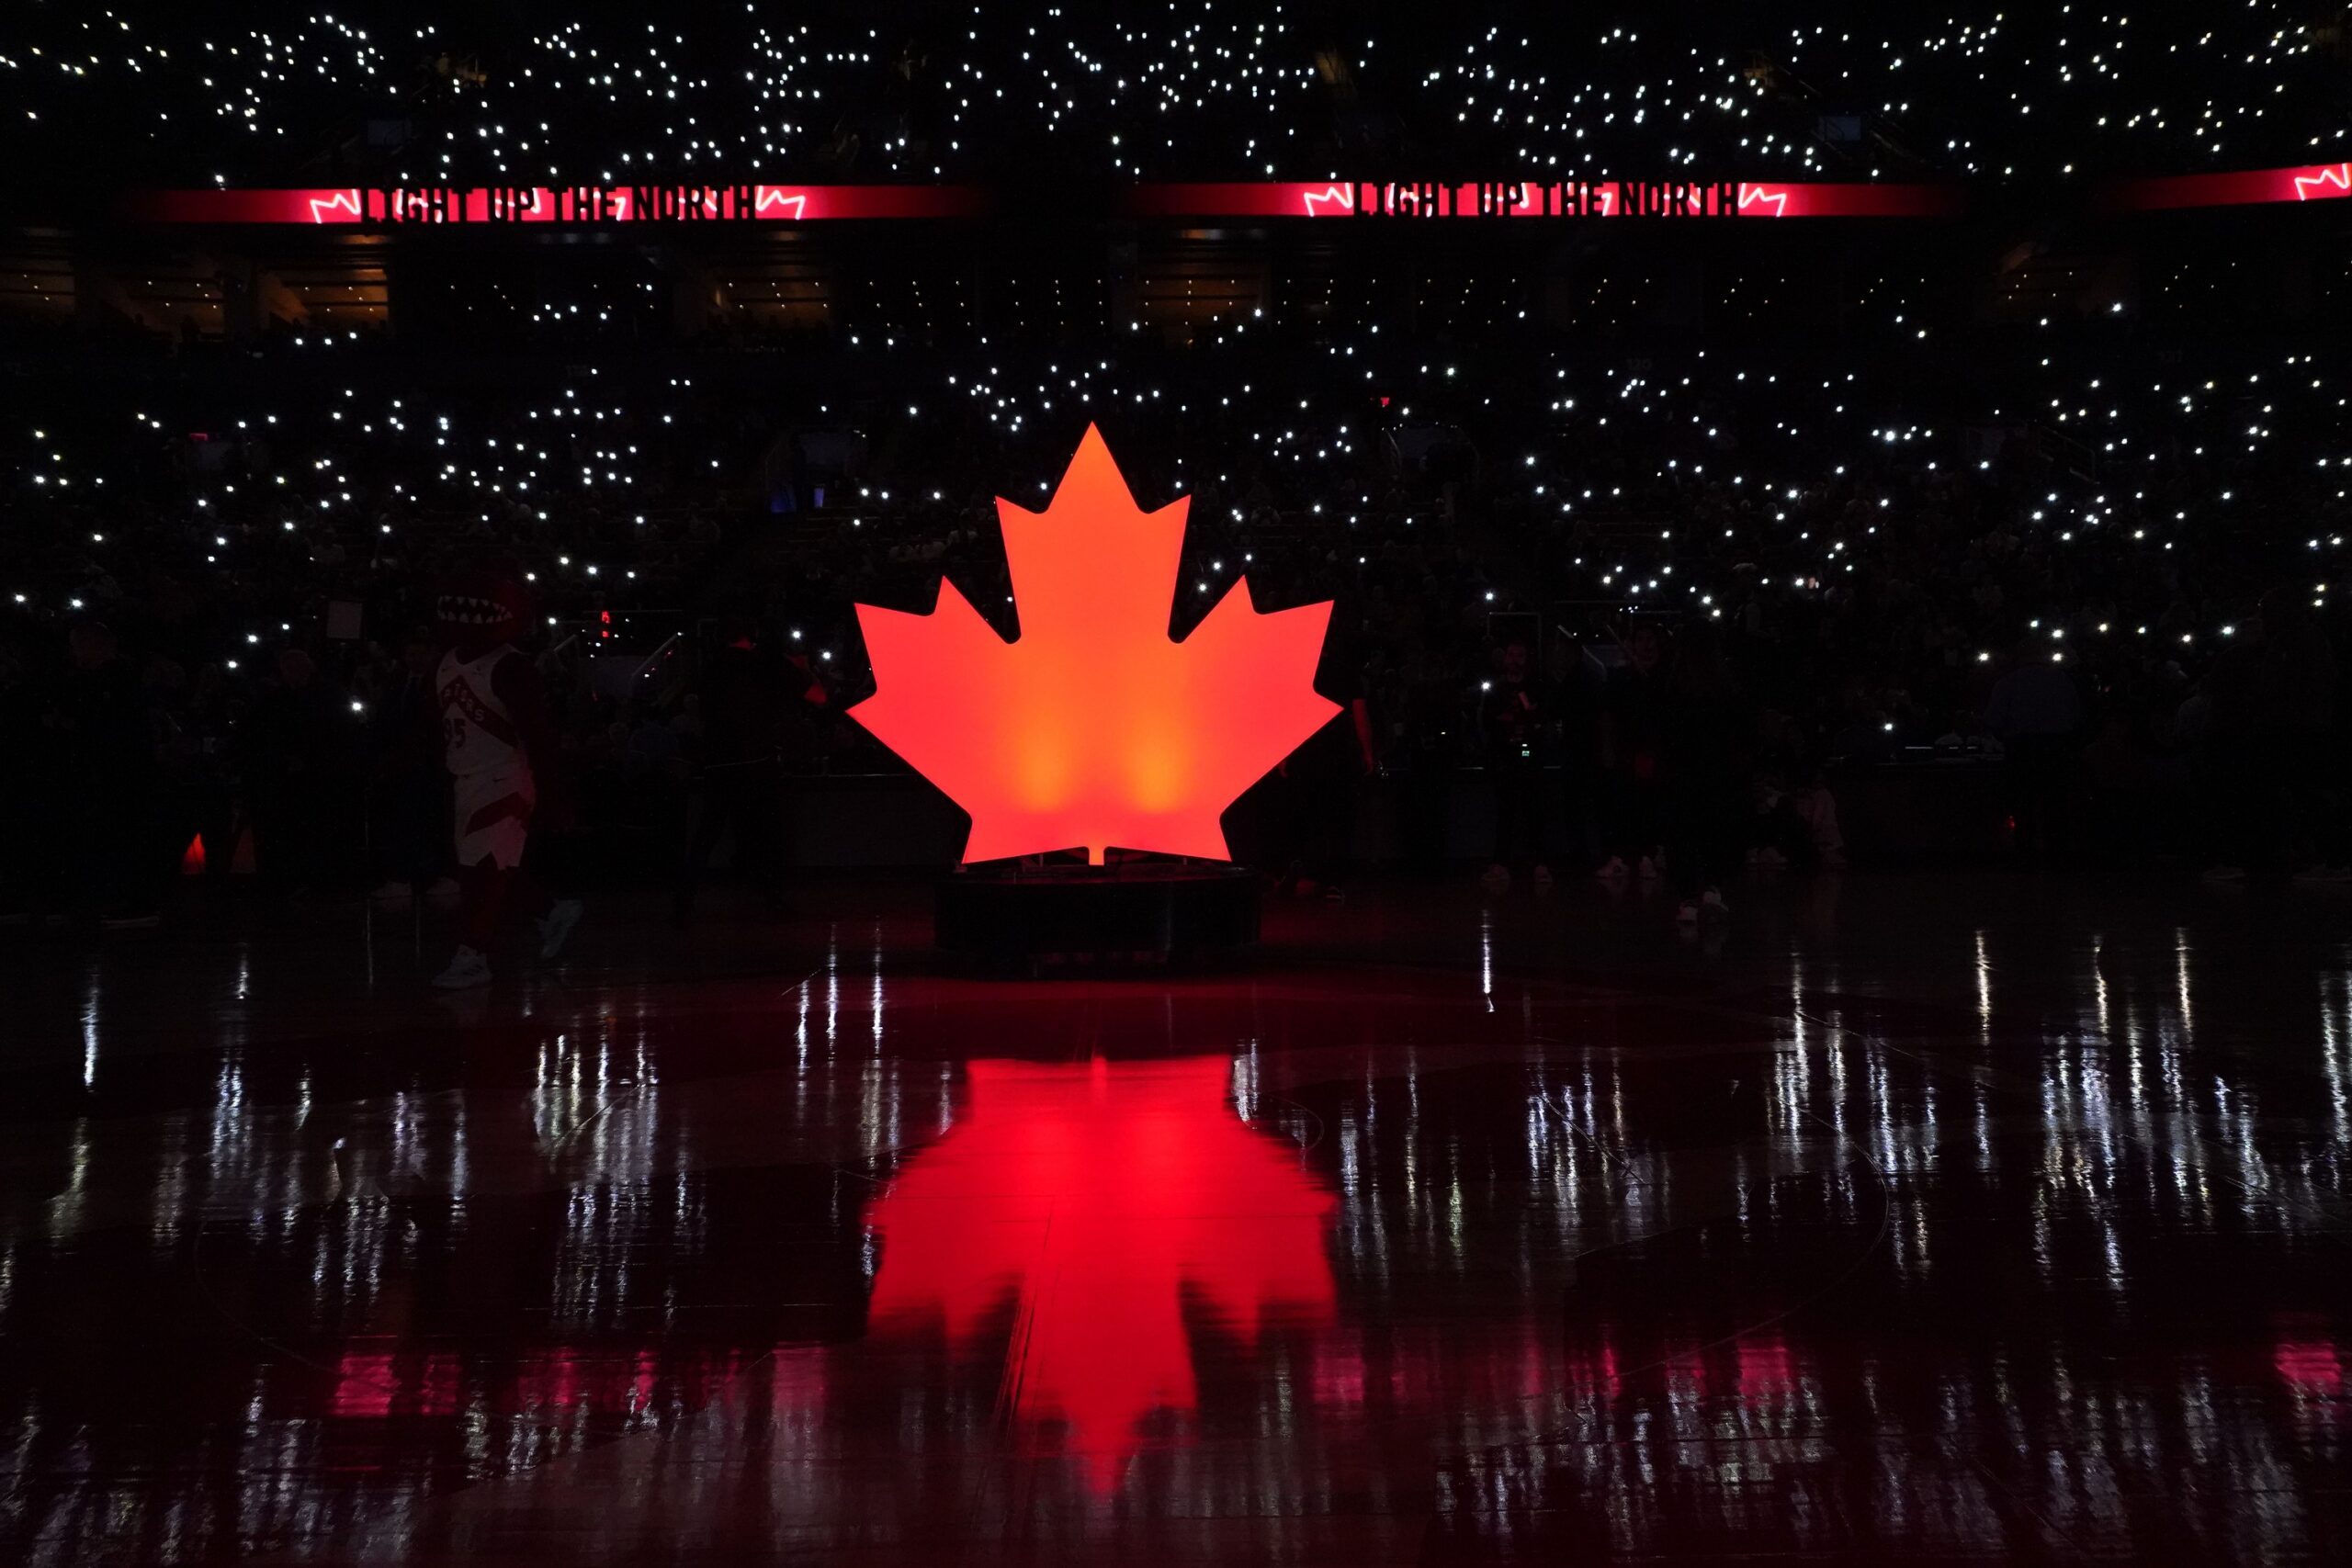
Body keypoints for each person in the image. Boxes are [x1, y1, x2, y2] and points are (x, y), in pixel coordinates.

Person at [431, 571, 580, 989]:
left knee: (484, 871)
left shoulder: (510, 668)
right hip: (466, 779)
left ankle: (472, 955)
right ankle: (551, 910)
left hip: (505, 778)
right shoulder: (446, 664)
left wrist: (552, 794)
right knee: (486, 870)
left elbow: (539, 737)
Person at [673, 617, 828, 926]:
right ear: (754, 634)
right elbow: (819, 697)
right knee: (769, 832)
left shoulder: (711, 667)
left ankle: (684, 900)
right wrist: (801, 667)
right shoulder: (766, 664)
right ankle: (772, 897)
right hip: (757, 762)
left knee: (706, 834)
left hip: (719, 763)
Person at [1479, 639, 1551, 892]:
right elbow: (1487, 721)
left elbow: (1541, 719)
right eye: (1511, 654)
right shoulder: (1496, 689)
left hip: (1530, 758)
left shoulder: (1537, 687)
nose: (1515, 660)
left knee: (1534, 811)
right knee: (1505, 812)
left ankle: (1539, 862)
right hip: (1504, 759)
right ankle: (1502, 863)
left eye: (1520, 655)